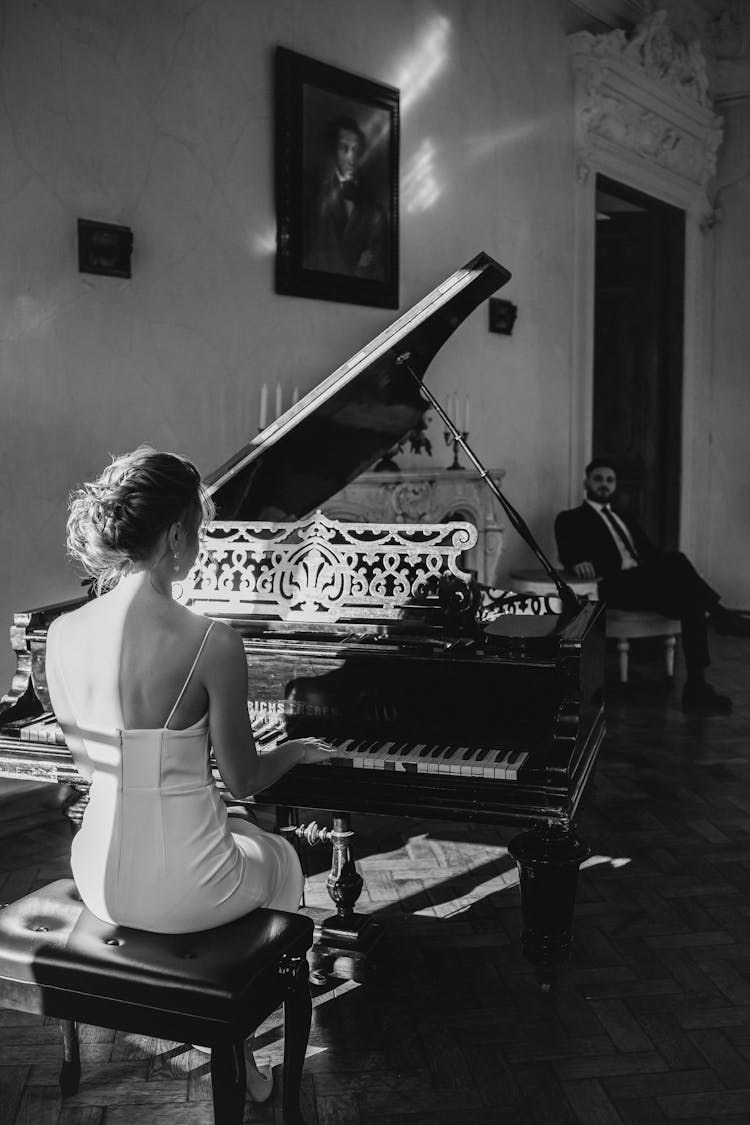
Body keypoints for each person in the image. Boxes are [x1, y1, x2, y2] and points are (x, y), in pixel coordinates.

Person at [45, 446, 335, 1098]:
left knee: (231, 828)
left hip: (95, 875)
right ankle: (249, 1055)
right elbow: (245, 779)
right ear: (177, 533)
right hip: (187, 888)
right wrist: (294, 749)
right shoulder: (210, 639)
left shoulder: (61, 632)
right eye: (199, 531)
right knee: (282, 856)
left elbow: (92, 763)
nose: (199, 544)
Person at [555, 458, 750, 716]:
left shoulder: (625, 517)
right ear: (586, 483)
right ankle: (720, 614)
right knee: (677, 560)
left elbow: (652, 554)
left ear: (615, 486)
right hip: (613, 586)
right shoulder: (571, 518)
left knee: (690, 601)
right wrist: (576, 562)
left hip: (645, 584)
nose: (604, 485)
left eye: (609, 480)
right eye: (598, 479)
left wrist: (666, 570)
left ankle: (696, 687)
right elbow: (566, 552)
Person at [303, 114, 386, 279]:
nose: (351, 158)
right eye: (344, 149)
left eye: (355, 150)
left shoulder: (373, 208)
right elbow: (312, 258)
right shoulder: (315, 199)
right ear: (334, 151)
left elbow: (376, 262)